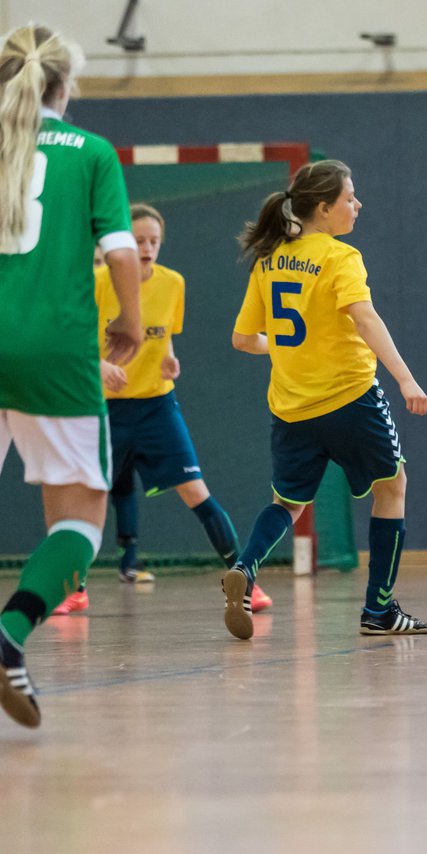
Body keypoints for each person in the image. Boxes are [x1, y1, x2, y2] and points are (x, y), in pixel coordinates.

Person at [0, 24, 143, 728]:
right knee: (82, 514)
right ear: (64, 84)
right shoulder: (90, 152)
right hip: (52, 351)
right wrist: (131, 322)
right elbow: (120, 252)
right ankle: (9, 637)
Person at [227, 159, 427, 640]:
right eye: (349, 198)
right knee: (392, 485)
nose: (357, 205)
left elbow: (242, 338)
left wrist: (285, 347)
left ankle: (246, 566)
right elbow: (365, 319)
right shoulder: (341, 257)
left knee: (288, 502)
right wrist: (406, 379)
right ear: (323, 208)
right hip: (349, 398)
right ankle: (379, 610)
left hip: (292, 406)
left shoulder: (269, 258)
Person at [51, 204, 272, 614]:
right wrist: (98, 365)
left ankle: (244, 583)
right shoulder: (98, 283)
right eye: (138, 241)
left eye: (154, 241)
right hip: (106, 410)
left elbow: (163, 334)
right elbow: (69, 336)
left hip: (157, 406)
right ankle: (74, 589)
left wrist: (169, 359)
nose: (148, 248)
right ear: (119, 243)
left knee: (195, 490)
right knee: (86, 498)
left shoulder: (172, 283)